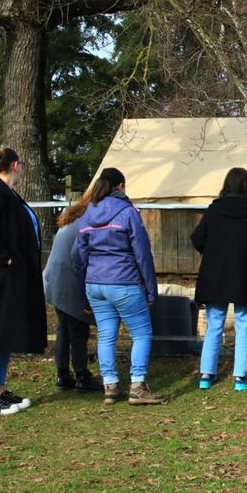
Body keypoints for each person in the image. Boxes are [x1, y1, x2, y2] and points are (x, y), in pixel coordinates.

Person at [72, 168, 166, 405]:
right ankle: (137, 386)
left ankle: (110, 386)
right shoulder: (128, 213)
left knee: (105, 335)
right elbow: (143, 253)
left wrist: (83, 288)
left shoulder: (86, 215)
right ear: (121, 186)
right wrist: (151, 289)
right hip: (124, 282)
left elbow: (78, 256)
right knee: (141, 333)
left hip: (95, 284)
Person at [0, 147, 47, 415]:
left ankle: (0, 389)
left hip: (13, 278)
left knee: (5, 333)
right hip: (2, 277)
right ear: (15, 166)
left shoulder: (9, 194)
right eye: (22, 165)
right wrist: (5, 259)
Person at [191, 168, 247, 392]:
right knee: (244, 325)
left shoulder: (214, 209)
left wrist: (212, 250)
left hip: (215, 276)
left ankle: (206, 375)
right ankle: (240, 377)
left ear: (226, 185)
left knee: (214, 326)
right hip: (245, 276)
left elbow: (197, 238)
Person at [43, 193, 102, 393]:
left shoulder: (70, 223)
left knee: (64, 330)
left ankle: (62, 373)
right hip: (69, 281)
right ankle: (82, 374)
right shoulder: (85, 224)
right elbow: (81, 257)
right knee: (78, 330)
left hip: (54, 281)